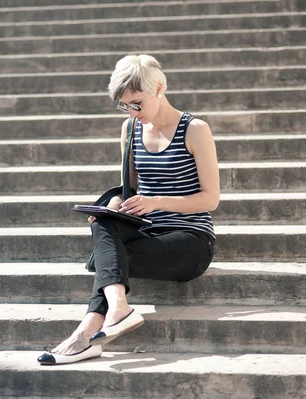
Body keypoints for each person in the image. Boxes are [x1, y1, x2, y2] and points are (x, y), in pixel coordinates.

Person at [38, 54, 220, 365]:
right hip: (147, 229)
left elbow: (210, 199)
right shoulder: (131, 129)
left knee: (108, 261)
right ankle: (117, 310)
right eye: (125, 106)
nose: (132, 112)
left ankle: (86, 332)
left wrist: (157, 201)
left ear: (159, 88)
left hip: (190, 239)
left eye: (137, 103)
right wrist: (113, 205)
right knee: (102, 224)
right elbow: (131, 189)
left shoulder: (195, 129)